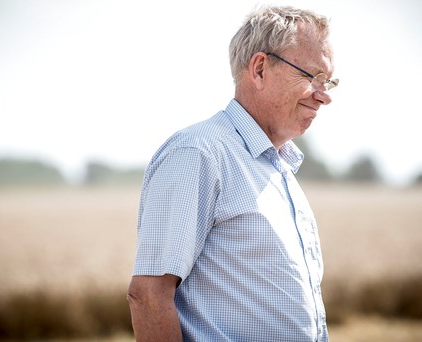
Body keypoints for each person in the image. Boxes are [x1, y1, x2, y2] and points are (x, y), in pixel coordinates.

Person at [127, 5, 337, 342]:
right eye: (311, 76)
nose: (323, 96)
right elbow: (148, 295)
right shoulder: (197, 153)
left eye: (328, 81)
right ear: (259, 69)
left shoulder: (280, 167)